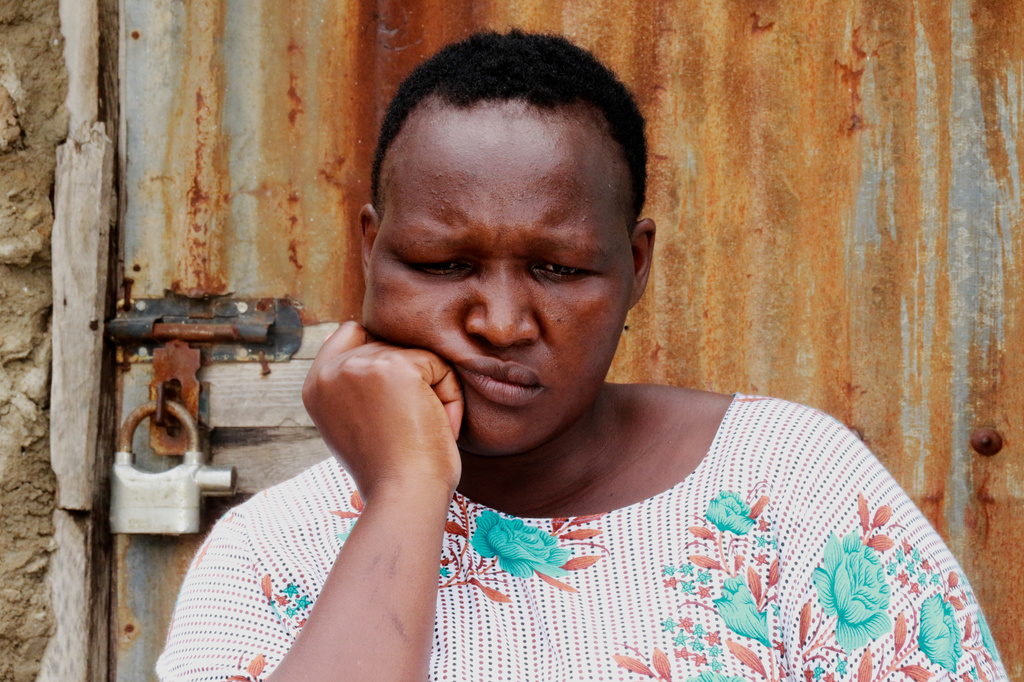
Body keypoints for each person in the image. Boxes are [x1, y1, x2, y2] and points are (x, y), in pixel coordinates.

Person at [156, 31, 1006, 682]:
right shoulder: (271, 556)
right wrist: (410, 492)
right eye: (441, 264)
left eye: (559, 270)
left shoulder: (790, 490)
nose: (498, 321)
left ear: (635, 266)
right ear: (372, 249)